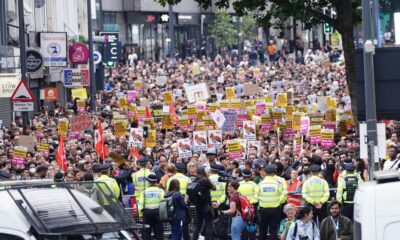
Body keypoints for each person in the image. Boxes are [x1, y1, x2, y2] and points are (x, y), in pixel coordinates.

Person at [258, 164, 285, 240]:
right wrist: (279, 202)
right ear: (274, 173)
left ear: (265, 173)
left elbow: (257, 196)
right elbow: (283, 195)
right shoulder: (277, 184)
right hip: (275, 209)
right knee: (273, 230)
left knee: (262, 230)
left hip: (263, 209)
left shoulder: (260, 184)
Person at [191, 166, 216, 240]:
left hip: (198, 205)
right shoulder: (205, 181)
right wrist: (207, 177)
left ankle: (194, 238)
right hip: (207, 205)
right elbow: (214, 188)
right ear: (204, 172)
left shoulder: (194, 180)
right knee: (209, 224)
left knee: (198, 224)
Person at [138, 174, 165, 240]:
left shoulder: (144, 192)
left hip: (147, 213)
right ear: (156, 182)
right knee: (159, 233)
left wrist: (140, 215)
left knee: (146, 233)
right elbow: (163, 202)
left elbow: (140, 205)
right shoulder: (160, 191)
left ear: (148, 182)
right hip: (158, 212)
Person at [238, 169, 258, 240]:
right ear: (250, 176)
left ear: (242, 176)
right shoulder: (254, 185)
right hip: (251, 208)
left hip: (241, 208)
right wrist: (249, 204)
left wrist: (244, 204)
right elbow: (256, 197)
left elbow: (237, 196)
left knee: (243, 225)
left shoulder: (239, 184)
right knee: (251, 225)